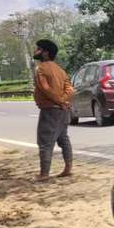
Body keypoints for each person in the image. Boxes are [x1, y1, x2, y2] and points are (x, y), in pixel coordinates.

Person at [32, 38, 74, 181]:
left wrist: (59, 101)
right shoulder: (60, 70)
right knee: (63, 138)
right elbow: (70, 89)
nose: (35, 51)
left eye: (38, 49)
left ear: (45, 53)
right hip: (63, 110)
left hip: (50, 110)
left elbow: (45, 89)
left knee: (44, 141)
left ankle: (44, 174)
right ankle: (68, 168)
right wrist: (64, 101)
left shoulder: (40, 68)